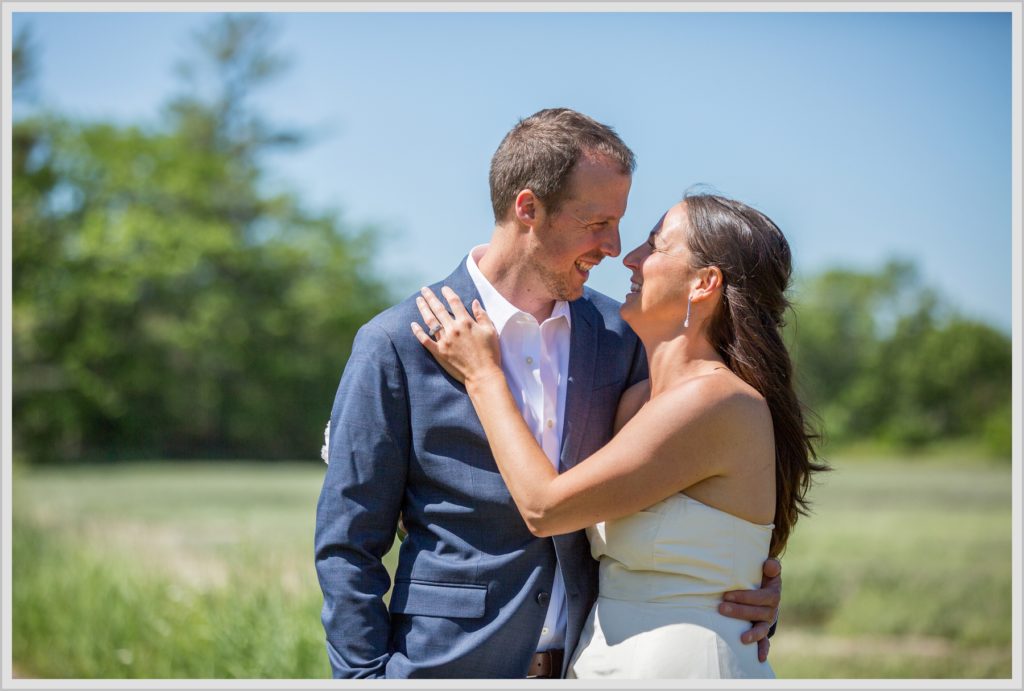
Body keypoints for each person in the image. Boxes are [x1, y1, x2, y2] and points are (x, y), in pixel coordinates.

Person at [314, 109, 782, 679]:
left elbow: (696, 484)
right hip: (448, 666)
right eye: (597, 223)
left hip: (596, 662)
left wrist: (741, 584)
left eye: (620, 224)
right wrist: (363, 678)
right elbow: (348, 545)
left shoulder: (623, 337)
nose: (614, 248)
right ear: (528, 209)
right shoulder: (396, 343)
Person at [413, 193, 824, 678]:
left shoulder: (715, 402)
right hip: (599, 660)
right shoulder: (637, 401)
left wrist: (483, 377)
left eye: (655, 245)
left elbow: (546, 508)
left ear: (704, 282)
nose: (630, 258)